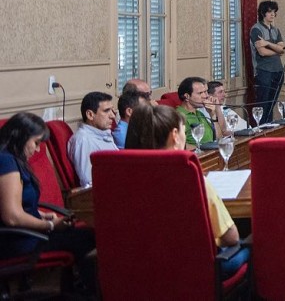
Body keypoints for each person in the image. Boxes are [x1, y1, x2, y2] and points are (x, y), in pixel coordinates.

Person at [125, 105, 248, 278]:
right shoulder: (191, 177)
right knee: (251, 243)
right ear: (175, 135)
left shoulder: (123, 178)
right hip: (197, 271)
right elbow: (231, 237)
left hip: (139, 270)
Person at [0, 113, 96, 293]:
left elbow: (19, 205)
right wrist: (50, 225)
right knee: (86, 238)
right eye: (36, 143)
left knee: (83, 234)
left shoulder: (12, 160)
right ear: (20, 136)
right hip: (18, 241)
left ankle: (80, 289)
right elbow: (12, 216)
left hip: (27, 234)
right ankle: (88, 292)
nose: (38, 150)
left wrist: (42, 215)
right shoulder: (6, 161)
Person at [68, 91, 118, 186]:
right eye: (106, 111)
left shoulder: (101, 133)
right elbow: (89, 182)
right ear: (90, 115)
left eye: (112, 110)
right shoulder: (83, 140)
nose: (112, 115)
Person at [250, 0, 285, 122]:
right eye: (270, 12)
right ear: (263, 13)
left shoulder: (276, 30)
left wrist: (267, 43)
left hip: (278, 70)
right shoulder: (256, 29)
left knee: (272, 103)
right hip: (263, 71)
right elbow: (262, 52)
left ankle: (269, 127)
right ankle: (260, 128)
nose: (273, 14)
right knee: (263, 103)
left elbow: (282, 48)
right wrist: (277, 50)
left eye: (274, 12)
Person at [175, 76, 220, 147]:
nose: (206, 96)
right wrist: (200, 149)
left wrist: (213, 115)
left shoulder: (199, 113)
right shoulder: (178, 116)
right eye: (200, 93)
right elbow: (177, 145)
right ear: (187, 96)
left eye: (205, 92)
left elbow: (218, 138)